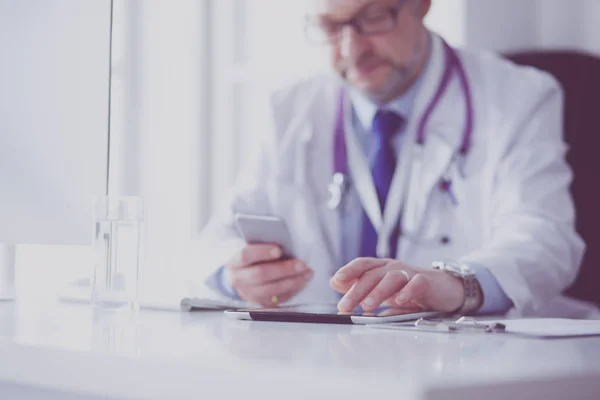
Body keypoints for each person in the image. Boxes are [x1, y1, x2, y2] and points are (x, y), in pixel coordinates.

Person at [198, 0, 598, 318]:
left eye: (373, 16)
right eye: (330, 27)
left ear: (422, 4)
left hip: (469, 361)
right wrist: (239, 276)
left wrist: (457, 284)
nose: (352, 49)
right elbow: (218, 238)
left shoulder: (518, 96)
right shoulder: (289, 109)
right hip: (328, 361)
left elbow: (545, 240)